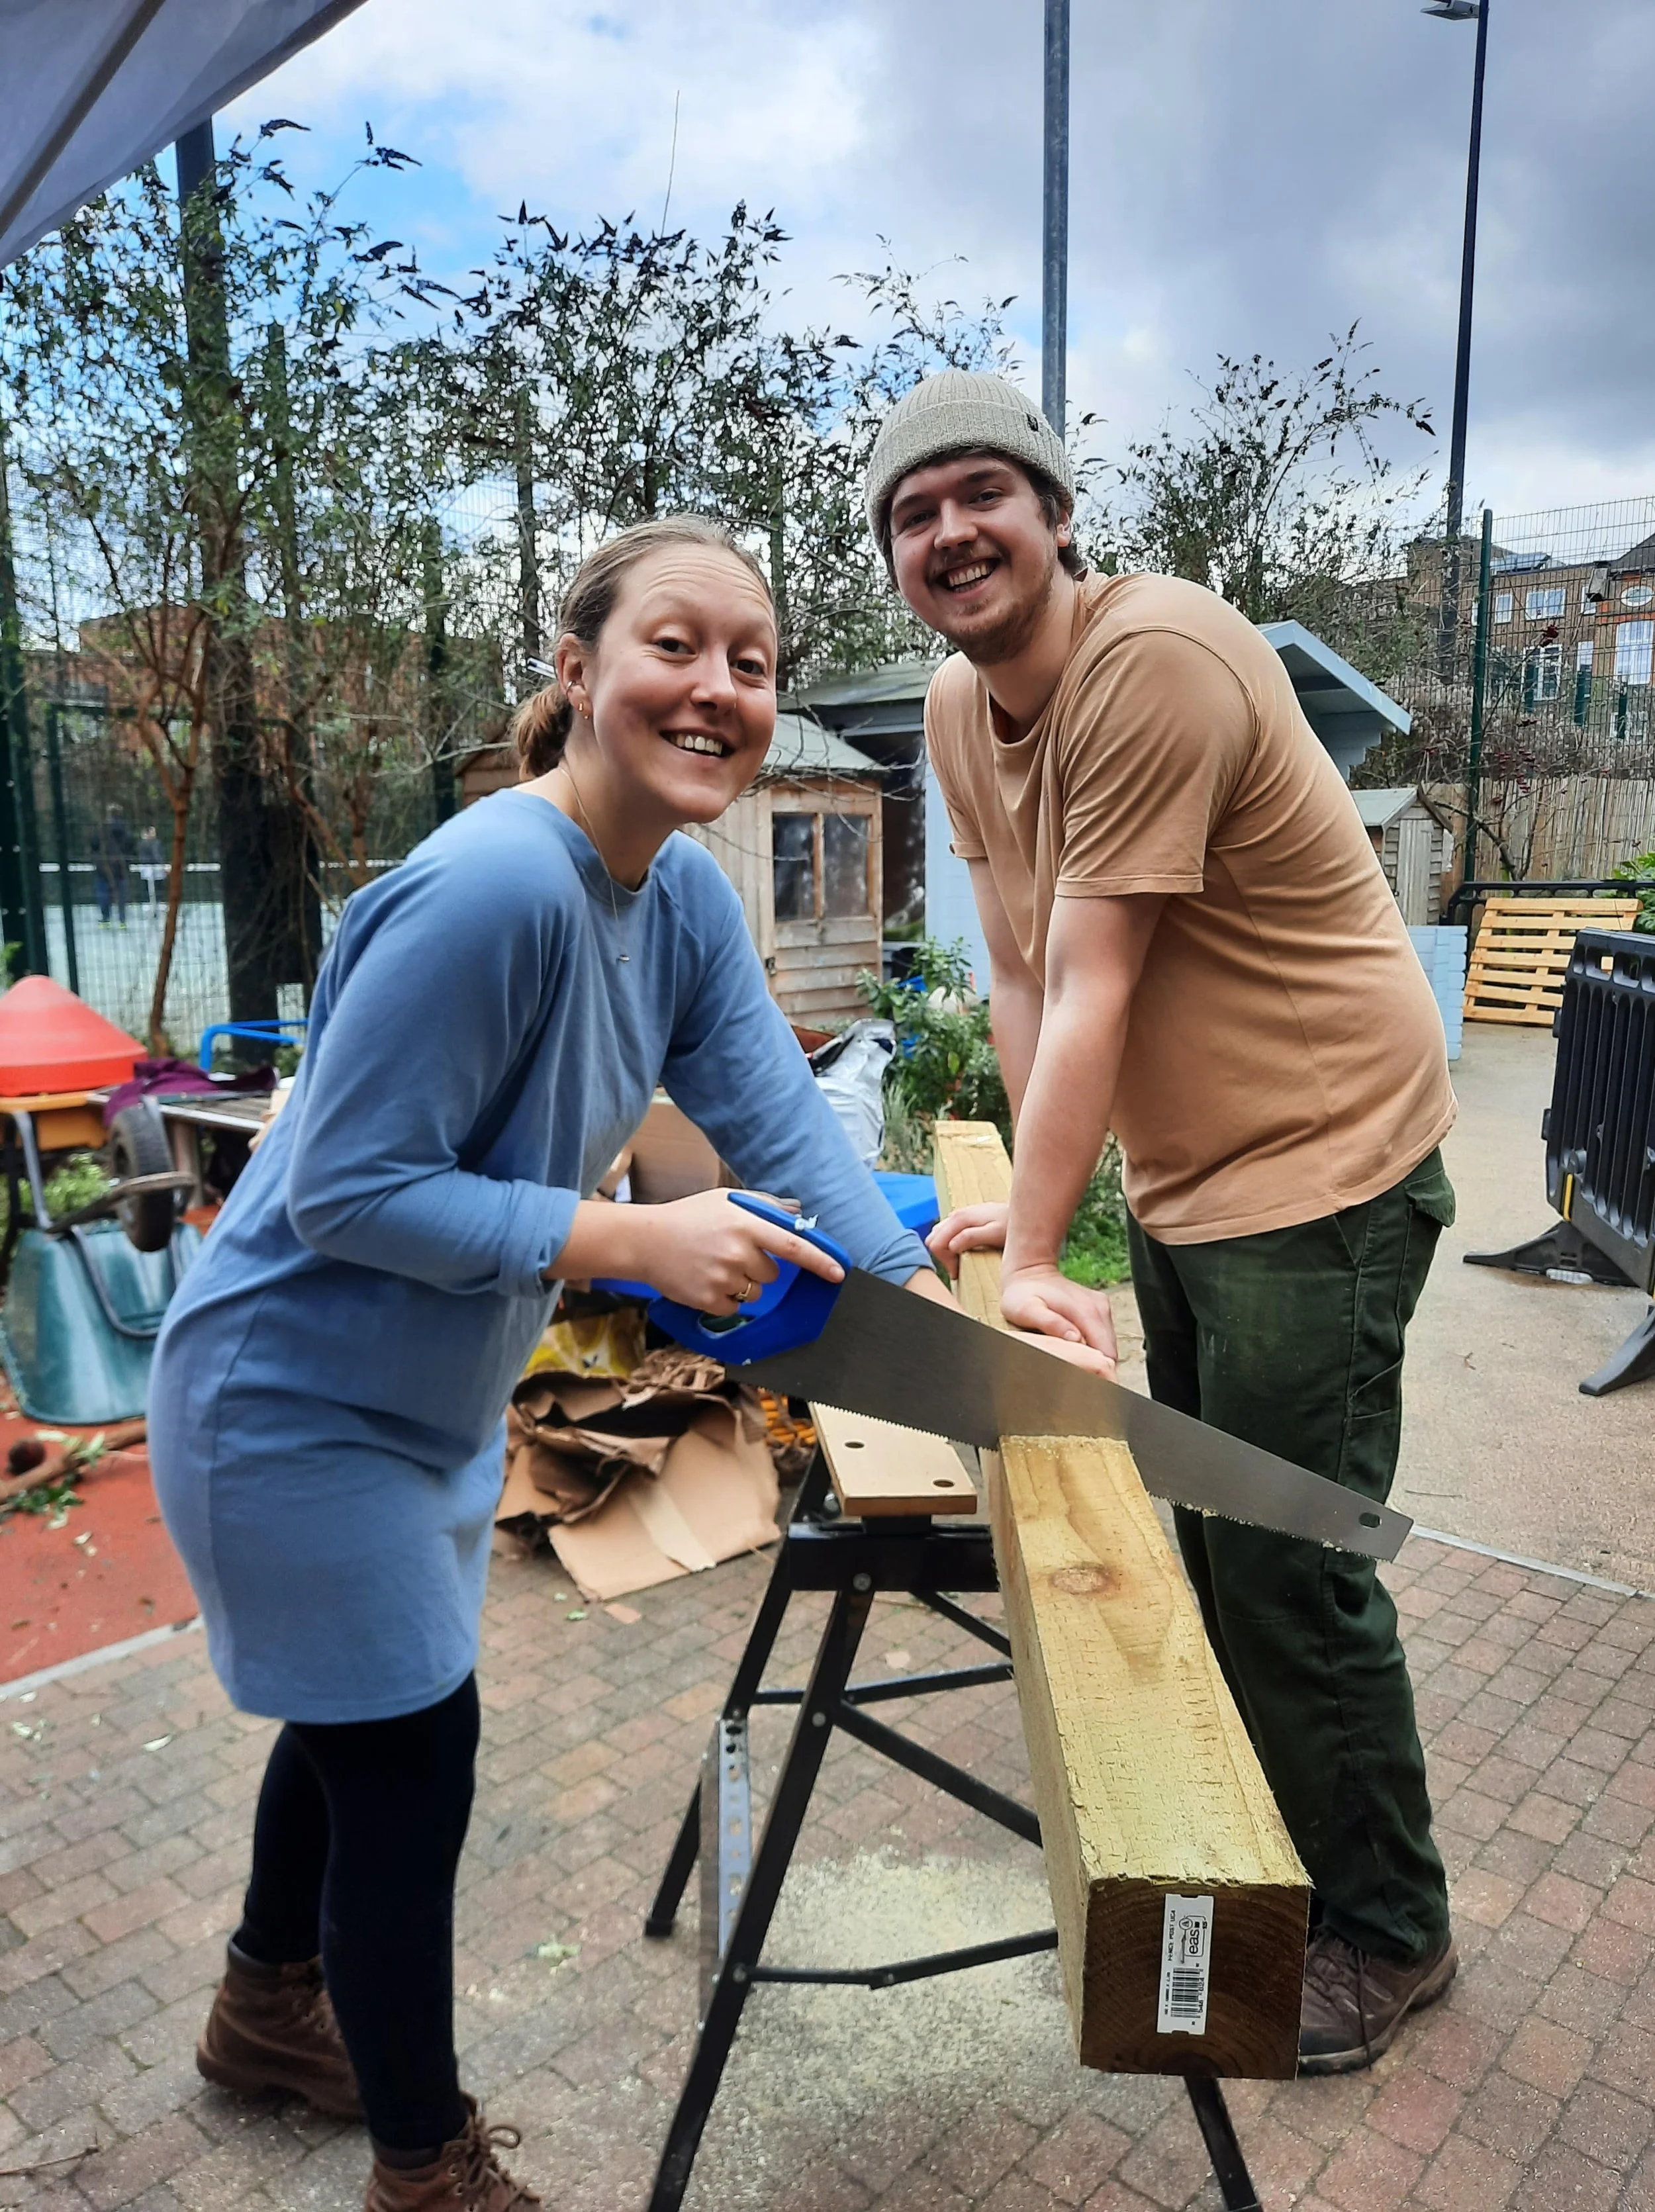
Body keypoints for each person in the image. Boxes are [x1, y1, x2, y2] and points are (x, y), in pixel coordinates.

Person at [148, 516, 960, 2210]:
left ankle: (265, 2007)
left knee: (350, 1715)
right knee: (407, 1760)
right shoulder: (498, 884)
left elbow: (790, 1134)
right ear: (577, 669)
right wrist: (637, 1242)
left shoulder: (669, 900)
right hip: (293, 1406)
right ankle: (426, 2166)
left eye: (754, 660)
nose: (721, 687)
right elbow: (347, 1190)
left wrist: (929, 1301)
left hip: (417, 1406)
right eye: (680, 644)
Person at [863, 369, 1458, 2075]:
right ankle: (1287, 1842)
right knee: (1205, 1533)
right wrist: (1028, 1215)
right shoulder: (962, 711)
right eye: (915, 513)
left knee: (1288, 1554)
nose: (952, 531)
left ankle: (1393, 1928)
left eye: (985, 492)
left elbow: (1102, 980)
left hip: (1327, 1159)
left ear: (1055, 516)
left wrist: (1045, 1249)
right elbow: (1023, 973)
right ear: (897, 561)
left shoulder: (1160, 661)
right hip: (1200, 1177)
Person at [92, 803, 132, 925]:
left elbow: (94, 844)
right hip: (121, 868)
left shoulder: (102, 829)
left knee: (104, 894)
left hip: (103, 868)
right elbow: (130, 847)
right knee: (122, 896)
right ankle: (122, 919)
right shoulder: (126, 830)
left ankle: (105, 918)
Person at [137, 823, 165, 911]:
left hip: (156, 867)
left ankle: (158, 902)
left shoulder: (157, 842)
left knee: (158, 885)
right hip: (148, 867)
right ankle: (147, 903)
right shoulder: (144, 843)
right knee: (147, 885)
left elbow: (158, 855)